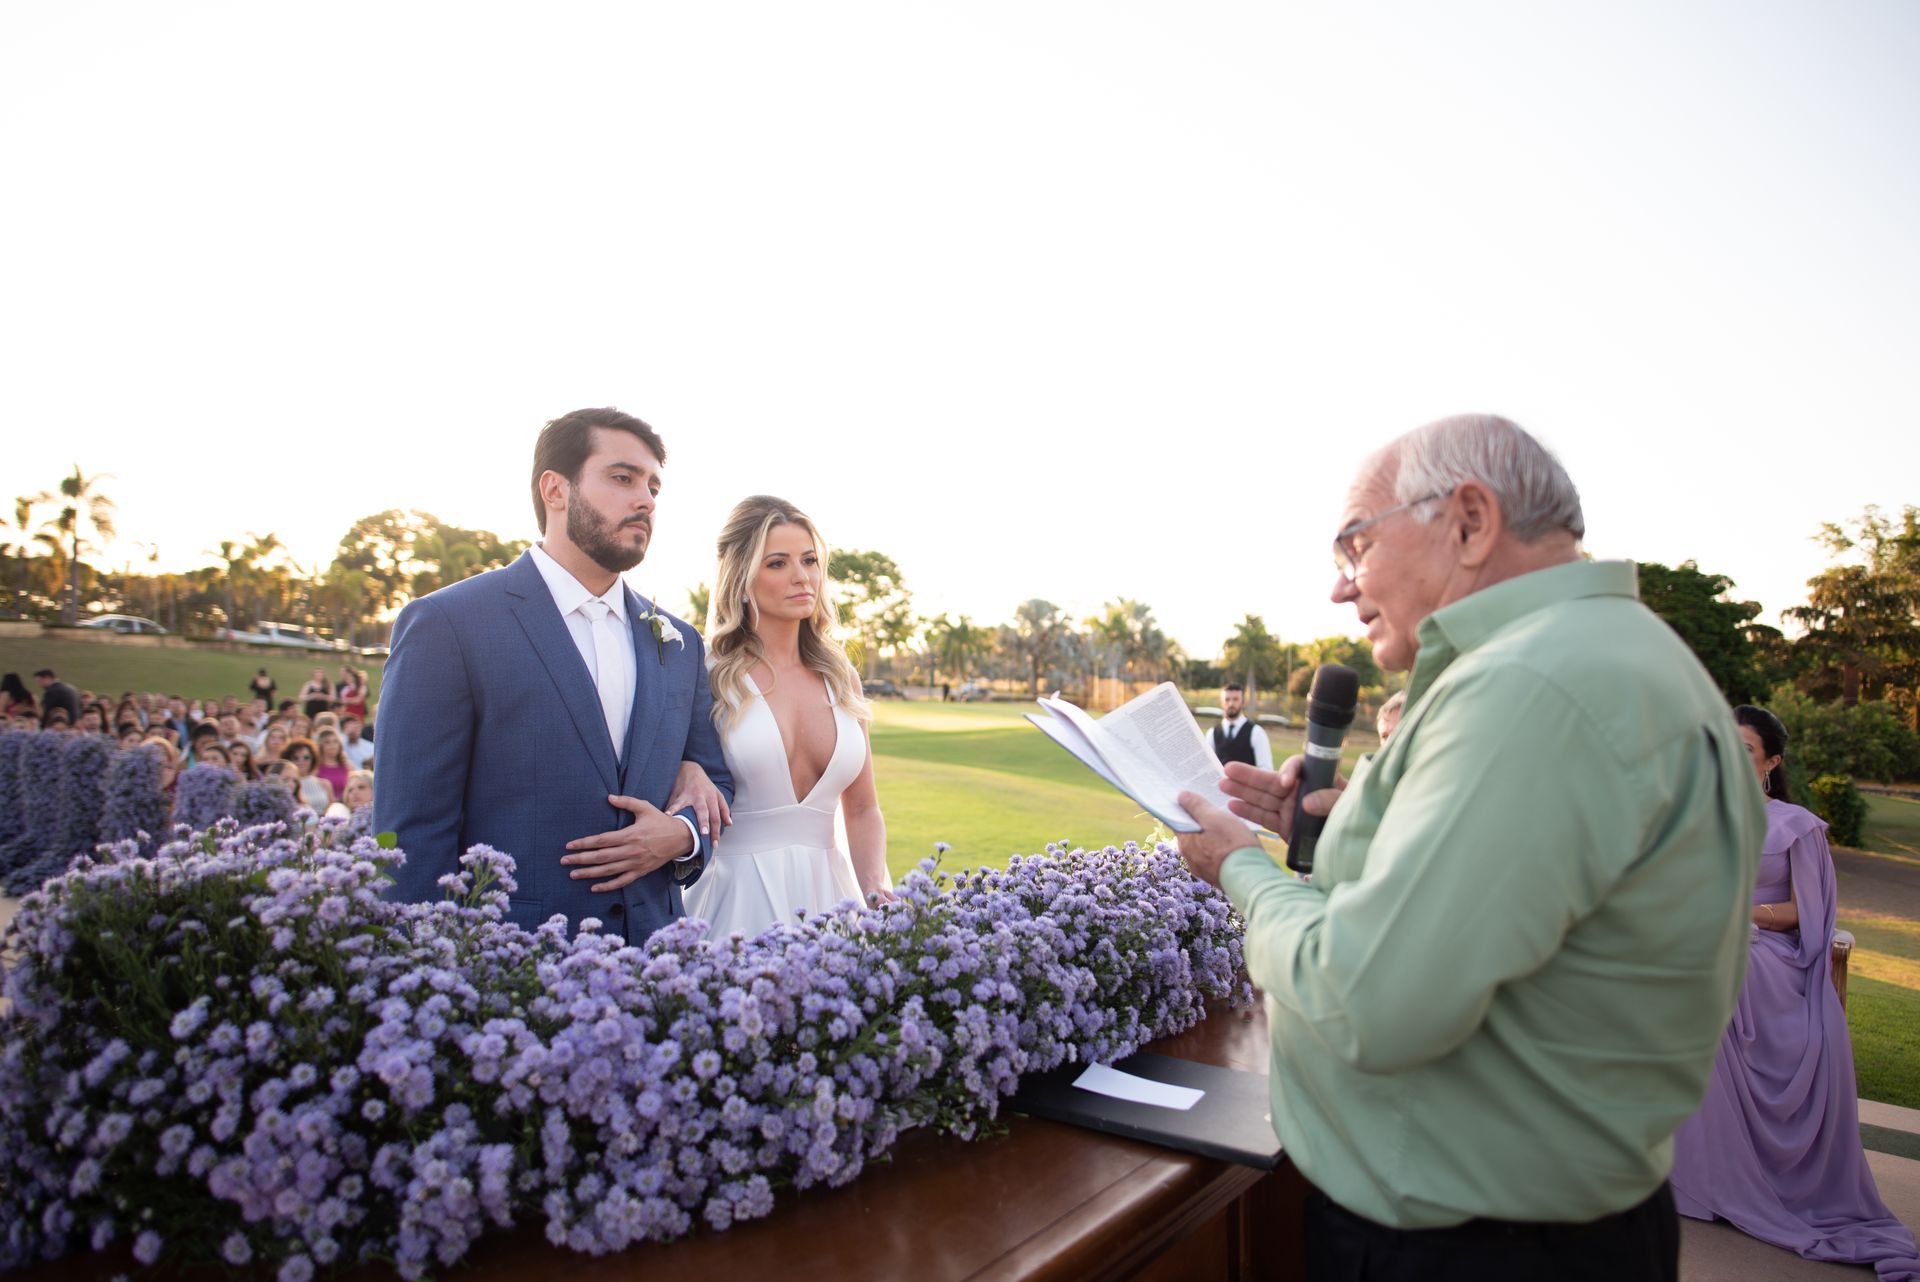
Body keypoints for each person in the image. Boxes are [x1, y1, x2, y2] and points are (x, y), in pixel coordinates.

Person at [1173, 413, 1764, 1282]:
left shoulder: (1528, 685)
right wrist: (1343, 829)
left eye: (1355, 546)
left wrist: (1242, 870)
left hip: (1471, 1251)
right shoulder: (1613, 655)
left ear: (1470, 521)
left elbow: (1365, 998)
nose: (1344, 588)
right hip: (1554, 1229)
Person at [376, 407, 734, 940]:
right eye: (622, 478)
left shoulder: (677, 642)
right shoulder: (449, 624)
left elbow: (715, 779)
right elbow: (412, 832)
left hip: (656, 966)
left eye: (654, 487)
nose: (645, 500)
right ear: (555, 489)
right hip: (511, 968)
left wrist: (681, 836)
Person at [1671, 706, 1920, 1278]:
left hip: (1770, 953)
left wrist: (1740, 914)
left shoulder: (1796, 825)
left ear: (1772, 762)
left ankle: (1729, 1178)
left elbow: (1807, 912)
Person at [681, 496, 890, 936]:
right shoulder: (705, 675)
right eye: (777, 563)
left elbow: (863, 806)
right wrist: (686, 769)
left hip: (833, 902)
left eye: (810, 560)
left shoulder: (841, 678)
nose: (802, 577)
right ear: (741, 576)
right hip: (732, 902)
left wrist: (872, 886)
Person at [1209, 681, 1273, 769]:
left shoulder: (1257, 732)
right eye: (1227, 699)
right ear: (1221, 702)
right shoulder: (1212, 733)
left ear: (1243, 702)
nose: (1231, 704)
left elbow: (1266, 769)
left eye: (1235, 699)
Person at [281, 736, 334, 810]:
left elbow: (333, 810)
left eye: (306, 757)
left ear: (313, 759)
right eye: (296, 758)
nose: (301, 761)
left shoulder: (325, 784)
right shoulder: (287, 785)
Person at [312, 728, 351, 802]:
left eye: (335, 741)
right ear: (320, 745)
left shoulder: (346, 765)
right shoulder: (315, 768)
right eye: (327, 742)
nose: (332, 745)